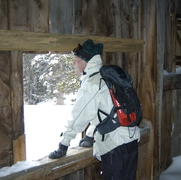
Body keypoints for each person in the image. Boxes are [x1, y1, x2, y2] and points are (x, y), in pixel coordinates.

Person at [48, 39, 140, 180]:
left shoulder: (92, 84)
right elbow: (104, 111)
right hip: (130, 140)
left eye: (77, 59)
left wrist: (64, 144)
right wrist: (91, 135)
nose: (73, 62)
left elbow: (79, 116)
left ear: (87, 62)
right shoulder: (106, 78)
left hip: (115, 146)